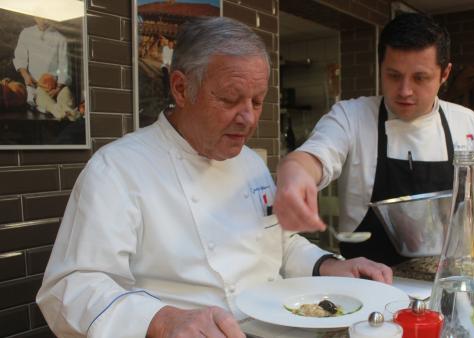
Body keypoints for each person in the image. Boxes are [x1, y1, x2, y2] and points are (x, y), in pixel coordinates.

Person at [36, 17, 391, 338]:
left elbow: (279, 245)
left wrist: (330, 266)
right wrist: (161, 320)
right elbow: (71, 287)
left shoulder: (250, 163)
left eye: (257, 100)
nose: (249, 119)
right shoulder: (117, 170)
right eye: (231, 99)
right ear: (180, 88)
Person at [274, 13, 474, 266]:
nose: (404, 91)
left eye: (419, 78)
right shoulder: (351, 116)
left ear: (445, 73)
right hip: (365, 283)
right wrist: (294, 173)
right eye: (393, 75)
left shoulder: (465, 121)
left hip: (447, 277)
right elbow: (313, 156)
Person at [13, 17, 77, 119]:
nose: (42, 19)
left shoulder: (60, 38)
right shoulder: (26, 33)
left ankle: (68, 111)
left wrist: (58, 88)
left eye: (45, 16)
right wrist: (26, 76)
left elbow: (64, 66)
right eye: (39, 16)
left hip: (55, 85)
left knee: (66, 95)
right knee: (42, 98)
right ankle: (57, 111)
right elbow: (20, 58)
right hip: (35, 86)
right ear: (34, 16)